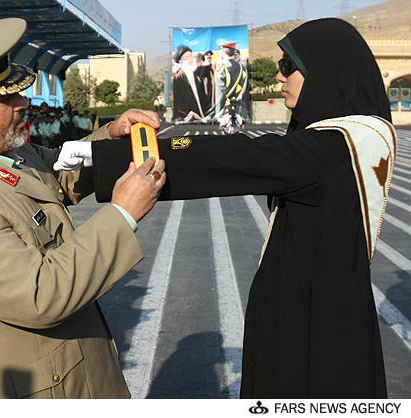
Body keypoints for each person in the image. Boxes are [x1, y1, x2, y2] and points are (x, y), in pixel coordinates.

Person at [54, 18, 395, 398]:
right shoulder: (347, 141)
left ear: (324, 71)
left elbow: (238, 157)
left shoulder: (334, 148)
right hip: (317, 302)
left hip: (314, 322)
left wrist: (107, 154)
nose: (279, 77)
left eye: (288, 66)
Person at [0, 17, 166, 399]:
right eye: (5, 98)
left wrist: (110, 136)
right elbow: (41, 293)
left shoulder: (1, 152)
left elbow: (58, 173)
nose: (23, 103)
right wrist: (122, 214)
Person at [172, 45, 205, 121]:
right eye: (188, 57)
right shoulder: (179, 77)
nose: (191, 59)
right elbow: (178, 102)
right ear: (180, 61)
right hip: (187, 119)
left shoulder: (195, 76)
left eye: (191, 56)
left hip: (199, 118)